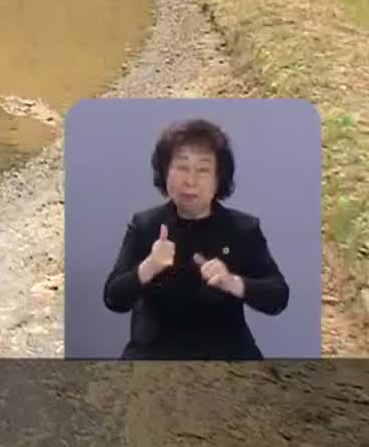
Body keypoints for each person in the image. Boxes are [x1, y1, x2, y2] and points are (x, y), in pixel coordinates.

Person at [102, 118, 289, 359]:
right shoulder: (145, 225)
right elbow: (113, 298)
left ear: (218, 179)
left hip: (225, 355)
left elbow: (278, 297)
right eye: (181, 167)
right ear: (165, 172)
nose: (190, 181)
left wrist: (233, 283)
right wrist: (149, 266)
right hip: (154, 355)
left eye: (203, 170)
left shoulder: (242, 229)